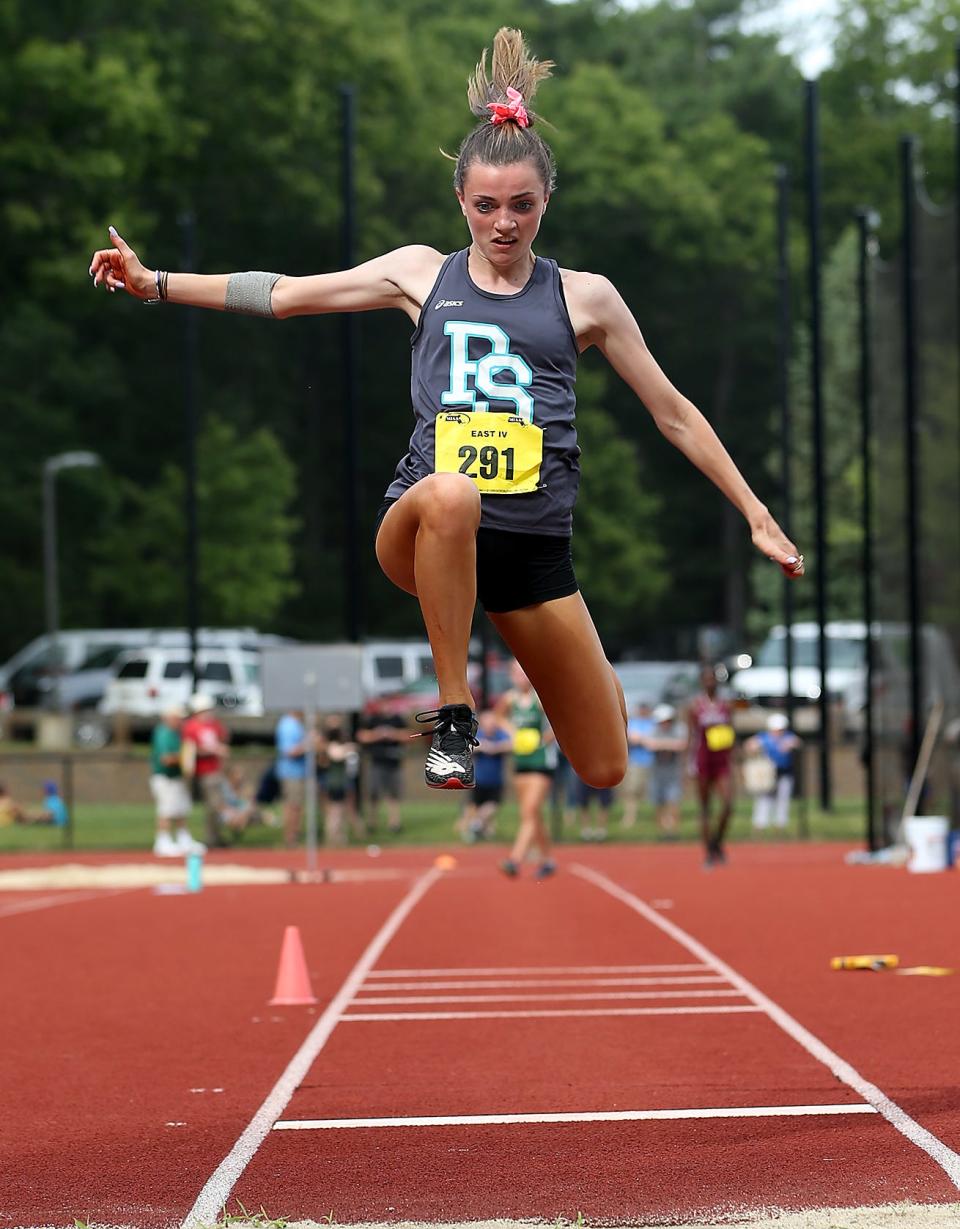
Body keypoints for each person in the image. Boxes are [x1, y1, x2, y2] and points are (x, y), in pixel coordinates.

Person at [89, 27, 803, 797]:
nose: (504, 224)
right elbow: (286, 295)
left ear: (546, 203)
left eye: (523, 207)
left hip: (531, 553)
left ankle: (582, 677)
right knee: (454, 491)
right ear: (460, 200)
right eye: (487, 206)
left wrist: (755, 512)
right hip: (426, 523)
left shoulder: (585, 298)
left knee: (604, 765)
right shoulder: (419, 274)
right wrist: (154, 281)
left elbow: (675, 413)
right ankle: (454, 713)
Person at [498, 661, 557, 879]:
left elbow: (559, 719)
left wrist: (545, 739)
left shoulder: (539, 699)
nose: (520, 676)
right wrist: (513, 733)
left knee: (530, 811)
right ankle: (548, 860)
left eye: (524, 671)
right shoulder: (510, 699)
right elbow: (498, 717)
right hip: (521, 762)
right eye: (516, 671)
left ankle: (514, 859)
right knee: (532, 814)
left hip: (541, 762)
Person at [689, 666, 736, 867]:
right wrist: (688, 763)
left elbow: (731, 731)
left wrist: (736, 758)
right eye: (706, 679)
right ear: (701, 682)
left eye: (713, 679)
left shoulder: (726, 704)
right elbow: (691, 735)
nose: (710, 682)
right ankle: (709, 851)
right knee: (705, 807)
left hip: (722, 759)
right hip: (702, 759)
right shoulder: (695, 705)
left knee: (727, 804)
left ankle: (717, 842)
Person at [149, 704, 202, 857]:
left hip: (176, 777)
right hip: (166, 778)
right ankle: (162, 841)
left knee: (181, 809)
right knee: (166, 810)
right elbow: (166, 759)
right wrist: (185, 757)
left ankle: (183, 839)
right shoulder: (164, 733)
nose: (181, 721)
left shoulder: (176, 733)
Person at [180, 692, 230, 848]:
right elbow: (191, 750)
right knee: (213, 805)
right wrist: (213, 750)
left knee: (217, 805)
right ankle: (212, 838)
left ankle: (215, 836)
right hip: (203, 771)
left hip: (216, 769)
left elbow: (223, 737)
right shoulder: (191, 727)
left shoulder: (213, 724)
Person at [461, 707, 512, 842]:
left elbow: (511, 744)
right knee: (473, 806)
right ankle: (473, 830)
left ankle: (476, 825)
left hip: (495, 780)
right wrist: (482, 746)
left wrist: (496, 748)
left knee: (493, 806)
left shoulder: (500, 735)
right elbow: (467, 747)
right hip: (479, 779)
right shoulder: (478, 735)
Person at [356, 708, 408, 836]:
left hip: (394, 763)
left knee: (394, 794)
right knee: (374, 793)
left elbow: (409, 735)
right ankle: (372, 822)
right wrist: (378, 734)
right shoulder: (373, 719)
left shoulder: (398, 719)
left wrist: (392, 734)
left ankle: (394, 823)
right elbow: (361, 736)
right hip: (377, 762)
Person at [746, 712, 800, 833]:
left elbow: (796, 742)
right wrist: (754, 747)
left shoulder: (788, 737)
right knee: (764, 799)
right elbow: (750, 744)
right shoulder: (764, 738)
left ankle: (780, 824)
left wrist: (790, 745)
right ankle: (760, 823)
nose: (778, 732)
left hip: (785, 772)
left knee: (783, 798)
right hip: (768, 774)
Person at [645, 704, 688, 839]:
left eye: (667, 721)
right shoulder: (653, 729)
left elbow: (681, 745)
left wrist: (661, 744)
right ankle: (662, 832)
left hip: (673, 772)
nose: (665, 724)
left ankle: (674, 831)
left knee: (673, 800)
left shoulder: (679, 728)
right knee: (658, 802)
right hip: (657, 772)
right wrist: (669, 744)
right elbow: (649, 745)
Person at [320, 715, 362, 846]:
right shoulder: (331, 746)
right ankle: (332, 836)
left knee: (341, 810)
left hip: (341, 782)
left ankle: (340, 836)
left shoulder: (340, 745)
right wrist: (348, 749)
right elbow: (336, 755)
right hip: (334, 782)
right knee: (335, 810)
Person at [275, 709, 311, 849]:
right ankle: (290, 839)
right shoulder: (288, 725)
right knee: (292, 806)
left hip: (298, 772)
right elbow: (289, 751)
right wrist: (308, 744)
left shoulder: (297, 724)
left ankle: (294, 837)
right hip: (291, 773)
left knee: (296, 806)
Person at [621, 701, 655, 830]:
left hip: (652, 762)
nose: (643, 711)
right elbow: (630, 738)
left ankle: (653, 819)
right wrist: (645, 740)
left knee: (651, 793)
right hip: (636, 762)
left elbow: (654, 740)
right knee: (632, 791)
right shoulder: (633, 723)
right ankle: (629, 818)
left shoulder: (653, 723)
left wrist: (643, 740)